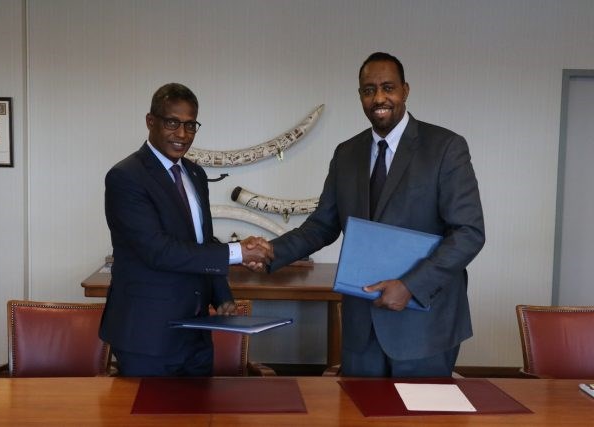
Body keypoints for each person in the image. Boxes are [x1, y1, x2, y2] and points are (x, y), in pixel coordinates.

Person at [247, 52, 485, 377]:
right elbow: (322, 225)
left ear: (405, 90)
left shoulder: (445, 148)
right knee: (358, 406)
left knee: (419, 408)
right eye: (369, 90)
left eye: (388, 87)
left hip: (424, 323)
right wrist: (273, 251)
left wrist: (411, 285)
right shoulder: (347, 153)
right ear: (360, 95)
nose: (379, 98)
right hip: (362, 324)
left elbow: (469, 233)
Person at [99, 83, 272, 377]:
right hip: (147, 335)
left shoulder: (195, 173)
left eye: (190, 125)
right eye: (172, 123)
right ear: (150, 121)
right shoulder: (126, 177)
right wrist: (237, 252)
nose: (182, 134)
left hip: (196, 332)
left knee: (199, 406)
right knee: (148, 408)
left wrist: (222, 296)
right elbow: (158, 250)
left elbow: (200, 241)